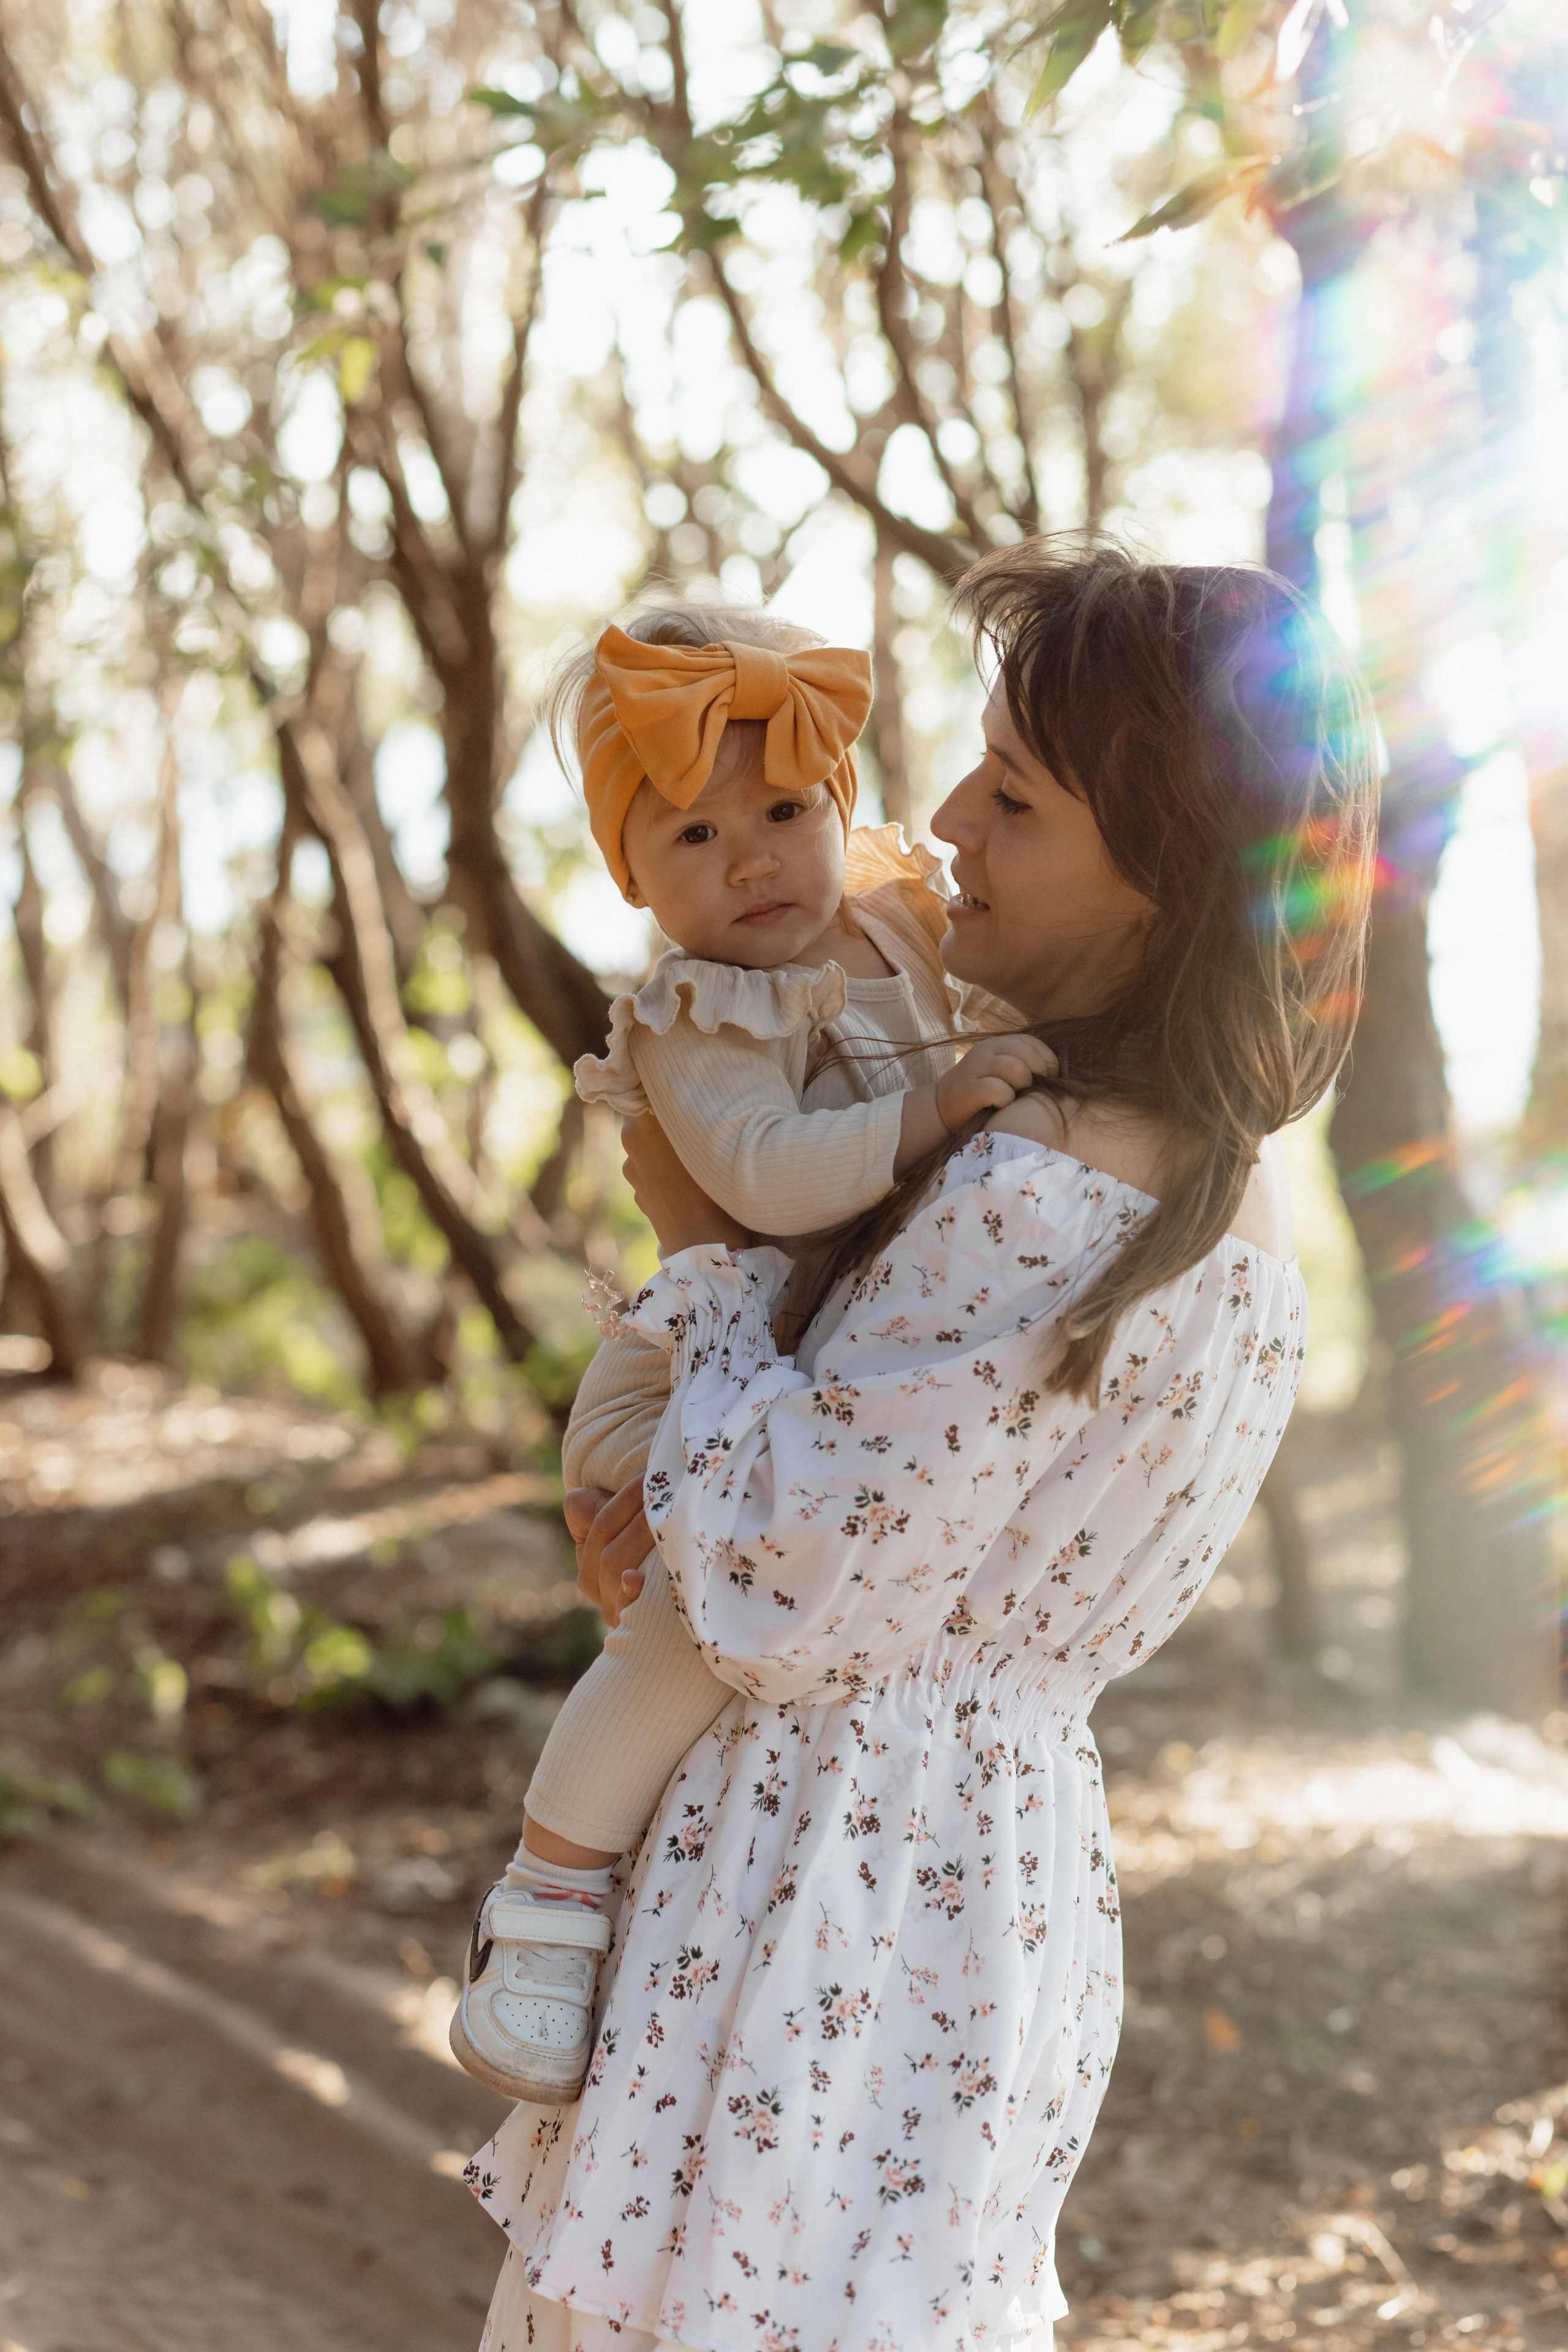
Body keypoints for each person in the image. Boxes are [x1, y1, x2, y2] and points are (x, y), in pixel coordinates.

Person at [462, 544, 1379, 2352]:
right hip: (994, 1887)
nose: (944, 816)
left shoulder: (1046, 1187)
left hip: (829, 1889)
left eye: (1017, 798)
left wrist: (708, 1263)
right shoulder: (1221, 1193)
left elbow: (787, 1588)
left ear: (1166, 876)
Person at [450, 603, 1049, 2105]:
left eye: (783, 811)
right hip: (684, 1386)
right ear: (629, 875)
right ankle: (544, 1907)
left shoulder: (911, 918)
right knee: (689, 1631)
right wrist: (929, 1114)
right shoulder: (698, 1011)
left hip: (804, 1380)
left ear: (840, 800)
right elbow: (771, 1177)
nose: (753, 861)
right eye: (695, 838)